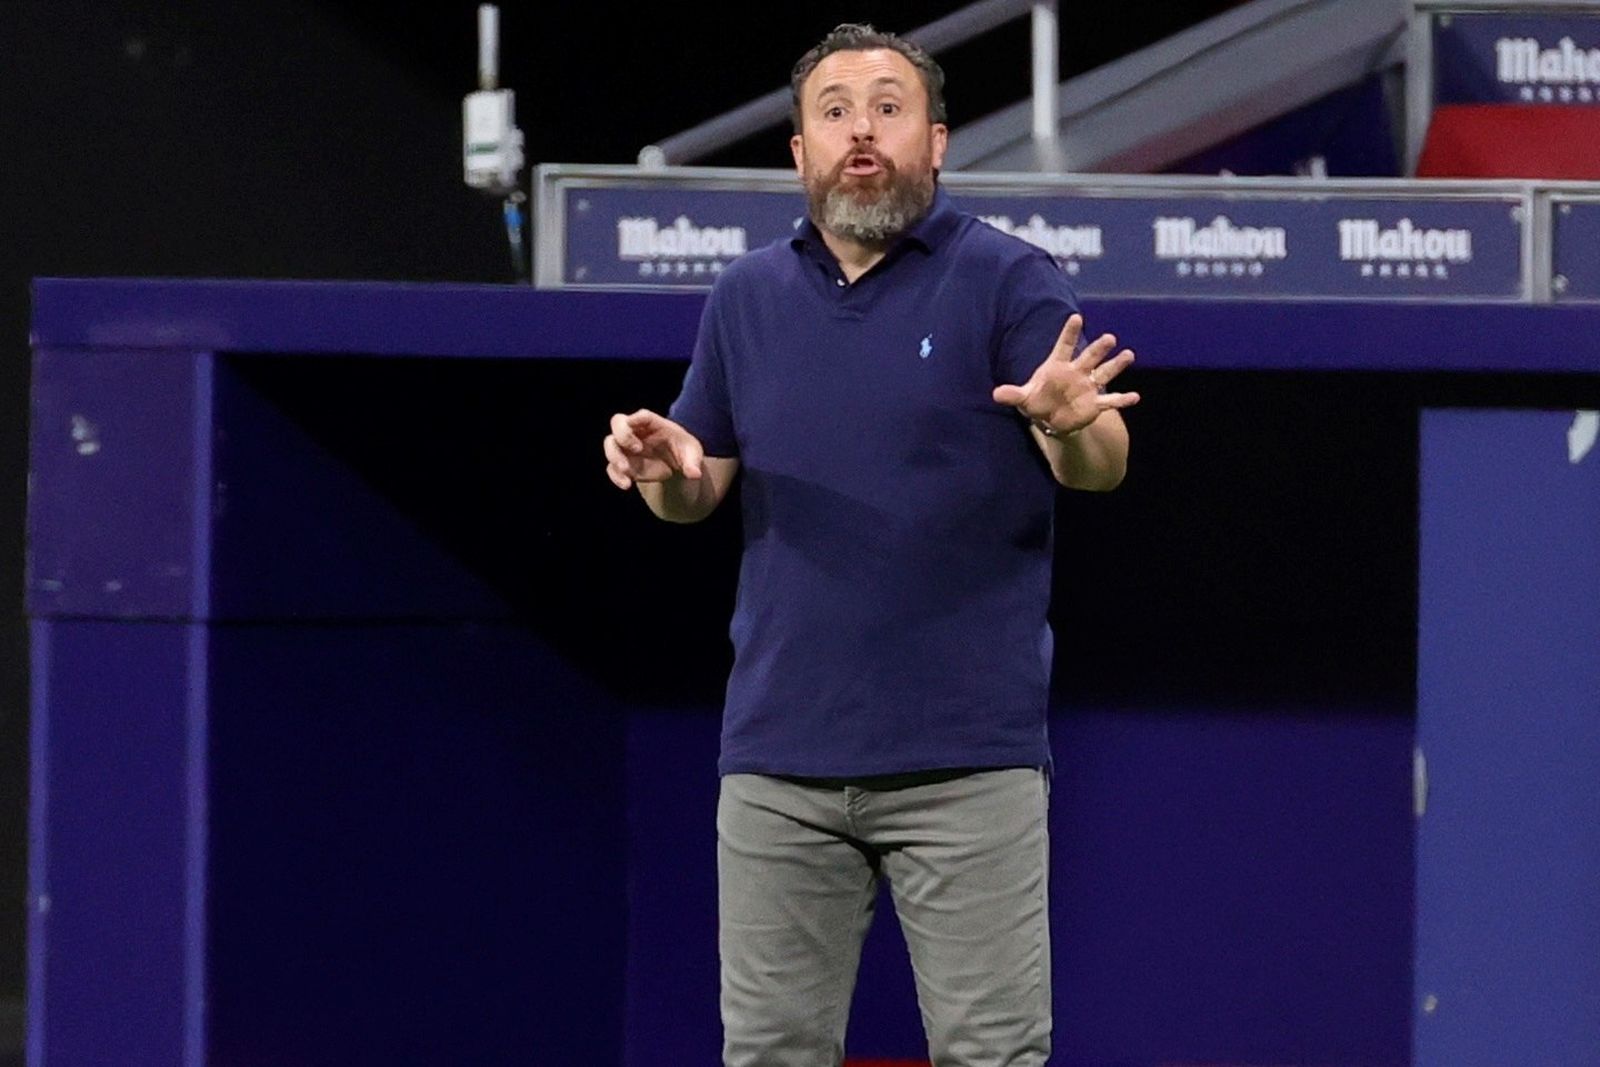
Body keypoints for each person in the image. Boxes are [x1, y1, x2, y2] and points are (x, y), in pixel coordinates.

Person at [602, 22, 1139, 1067]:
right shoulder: (746, 296)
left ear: (934, 142)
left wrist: (1072, 424)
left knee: (992, 1054)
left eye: (888, 109)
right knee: (769, 1052)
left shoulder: (1007, 279)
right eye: (836, 111)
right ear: (798, 150)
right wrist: (665, 469)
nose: (861, 131)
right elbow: (696, 490)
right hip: (779, 763)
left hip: (966, 762)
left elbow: (1101, 464)